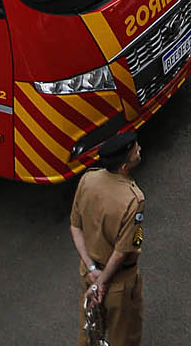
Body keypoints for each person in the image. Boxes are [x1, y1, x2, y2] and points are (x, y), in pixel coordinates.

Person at [70, 130, 145, 346]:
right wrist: (102, 283)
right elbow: (123, 250)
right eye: (135, 149)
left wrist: (93, 271)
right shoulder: (134, 200)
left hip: (89, 273)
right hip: (118, 283)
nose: (139, 149)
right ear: (124, 167)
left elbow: (75, 227)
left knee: (89, 332)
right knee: (125, 336)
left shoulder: (88, 179)